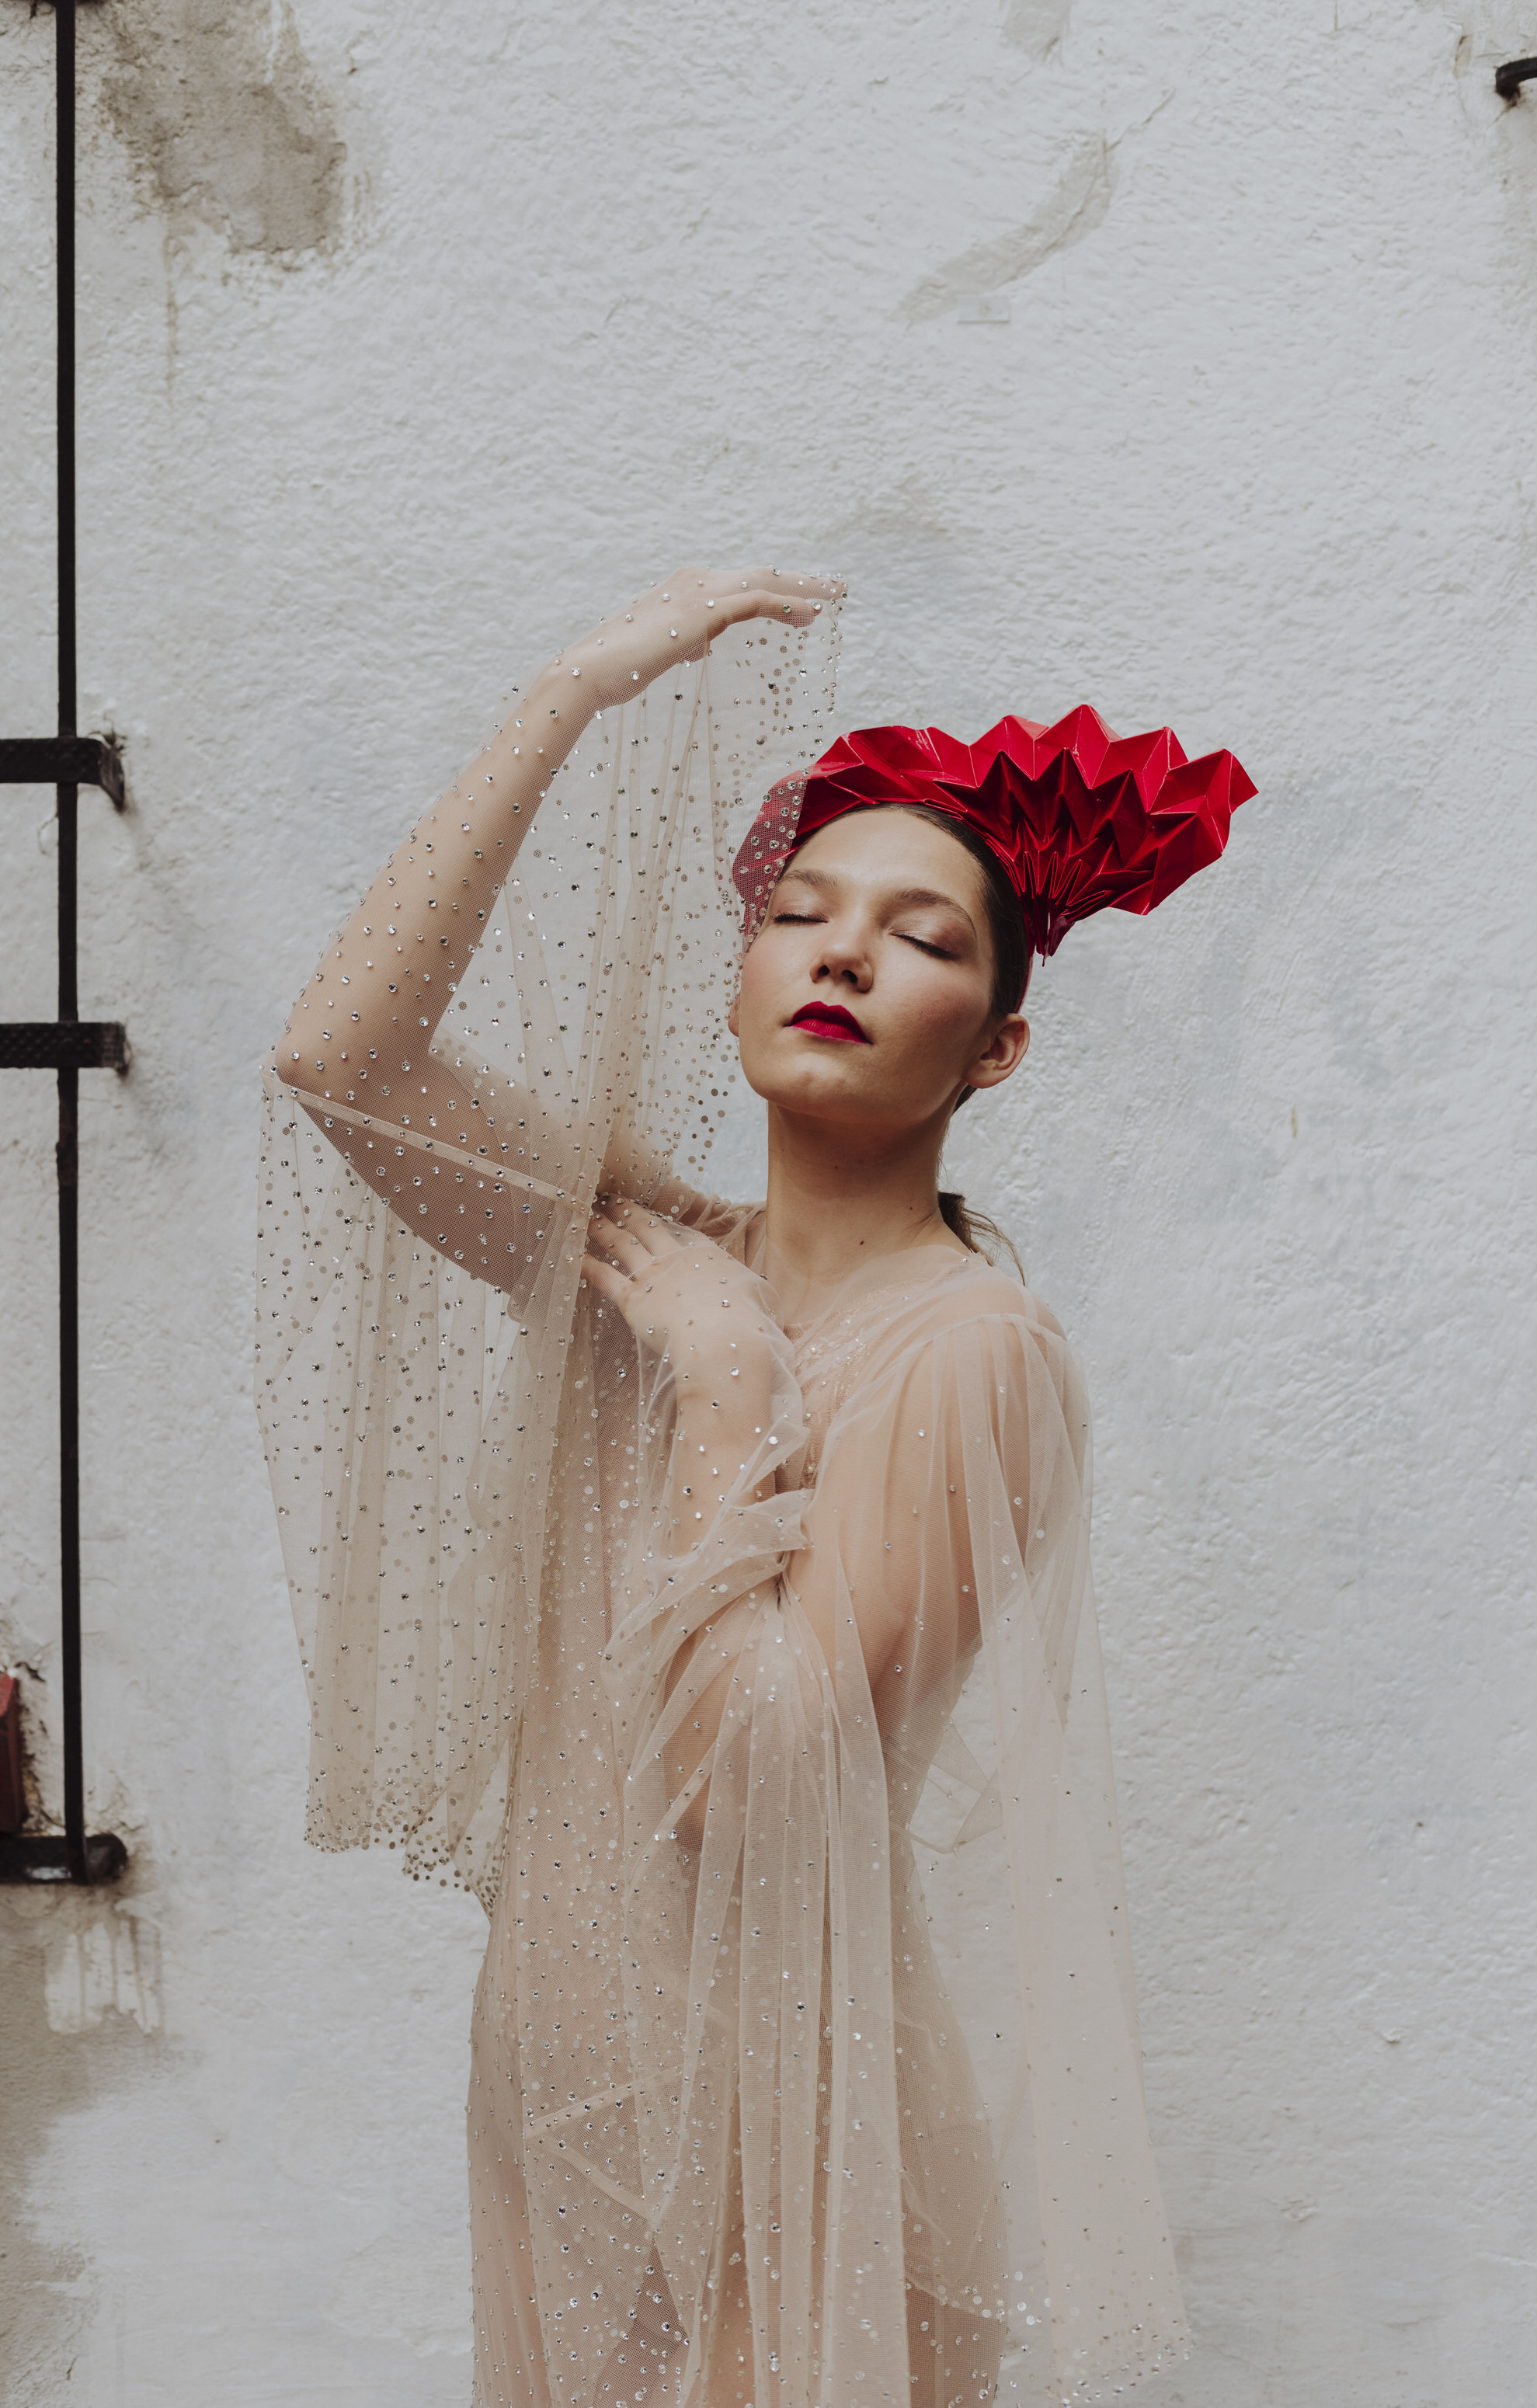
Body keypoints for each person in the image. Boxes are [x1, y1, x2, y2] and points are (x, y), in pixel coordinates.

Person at [256, 565, 1253, 2408]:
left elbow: (739, 1782)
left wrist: (727, 1391)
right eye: (797, 912)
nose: (840, 953)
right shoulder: (646, 1255)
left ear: (997, 1043)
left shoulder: (968, 1347)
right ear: (737, 981)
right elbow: (340, 1058)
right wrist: (568, 690)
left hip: (794, 2148)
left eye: (918, 937)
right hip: (564, 2097)